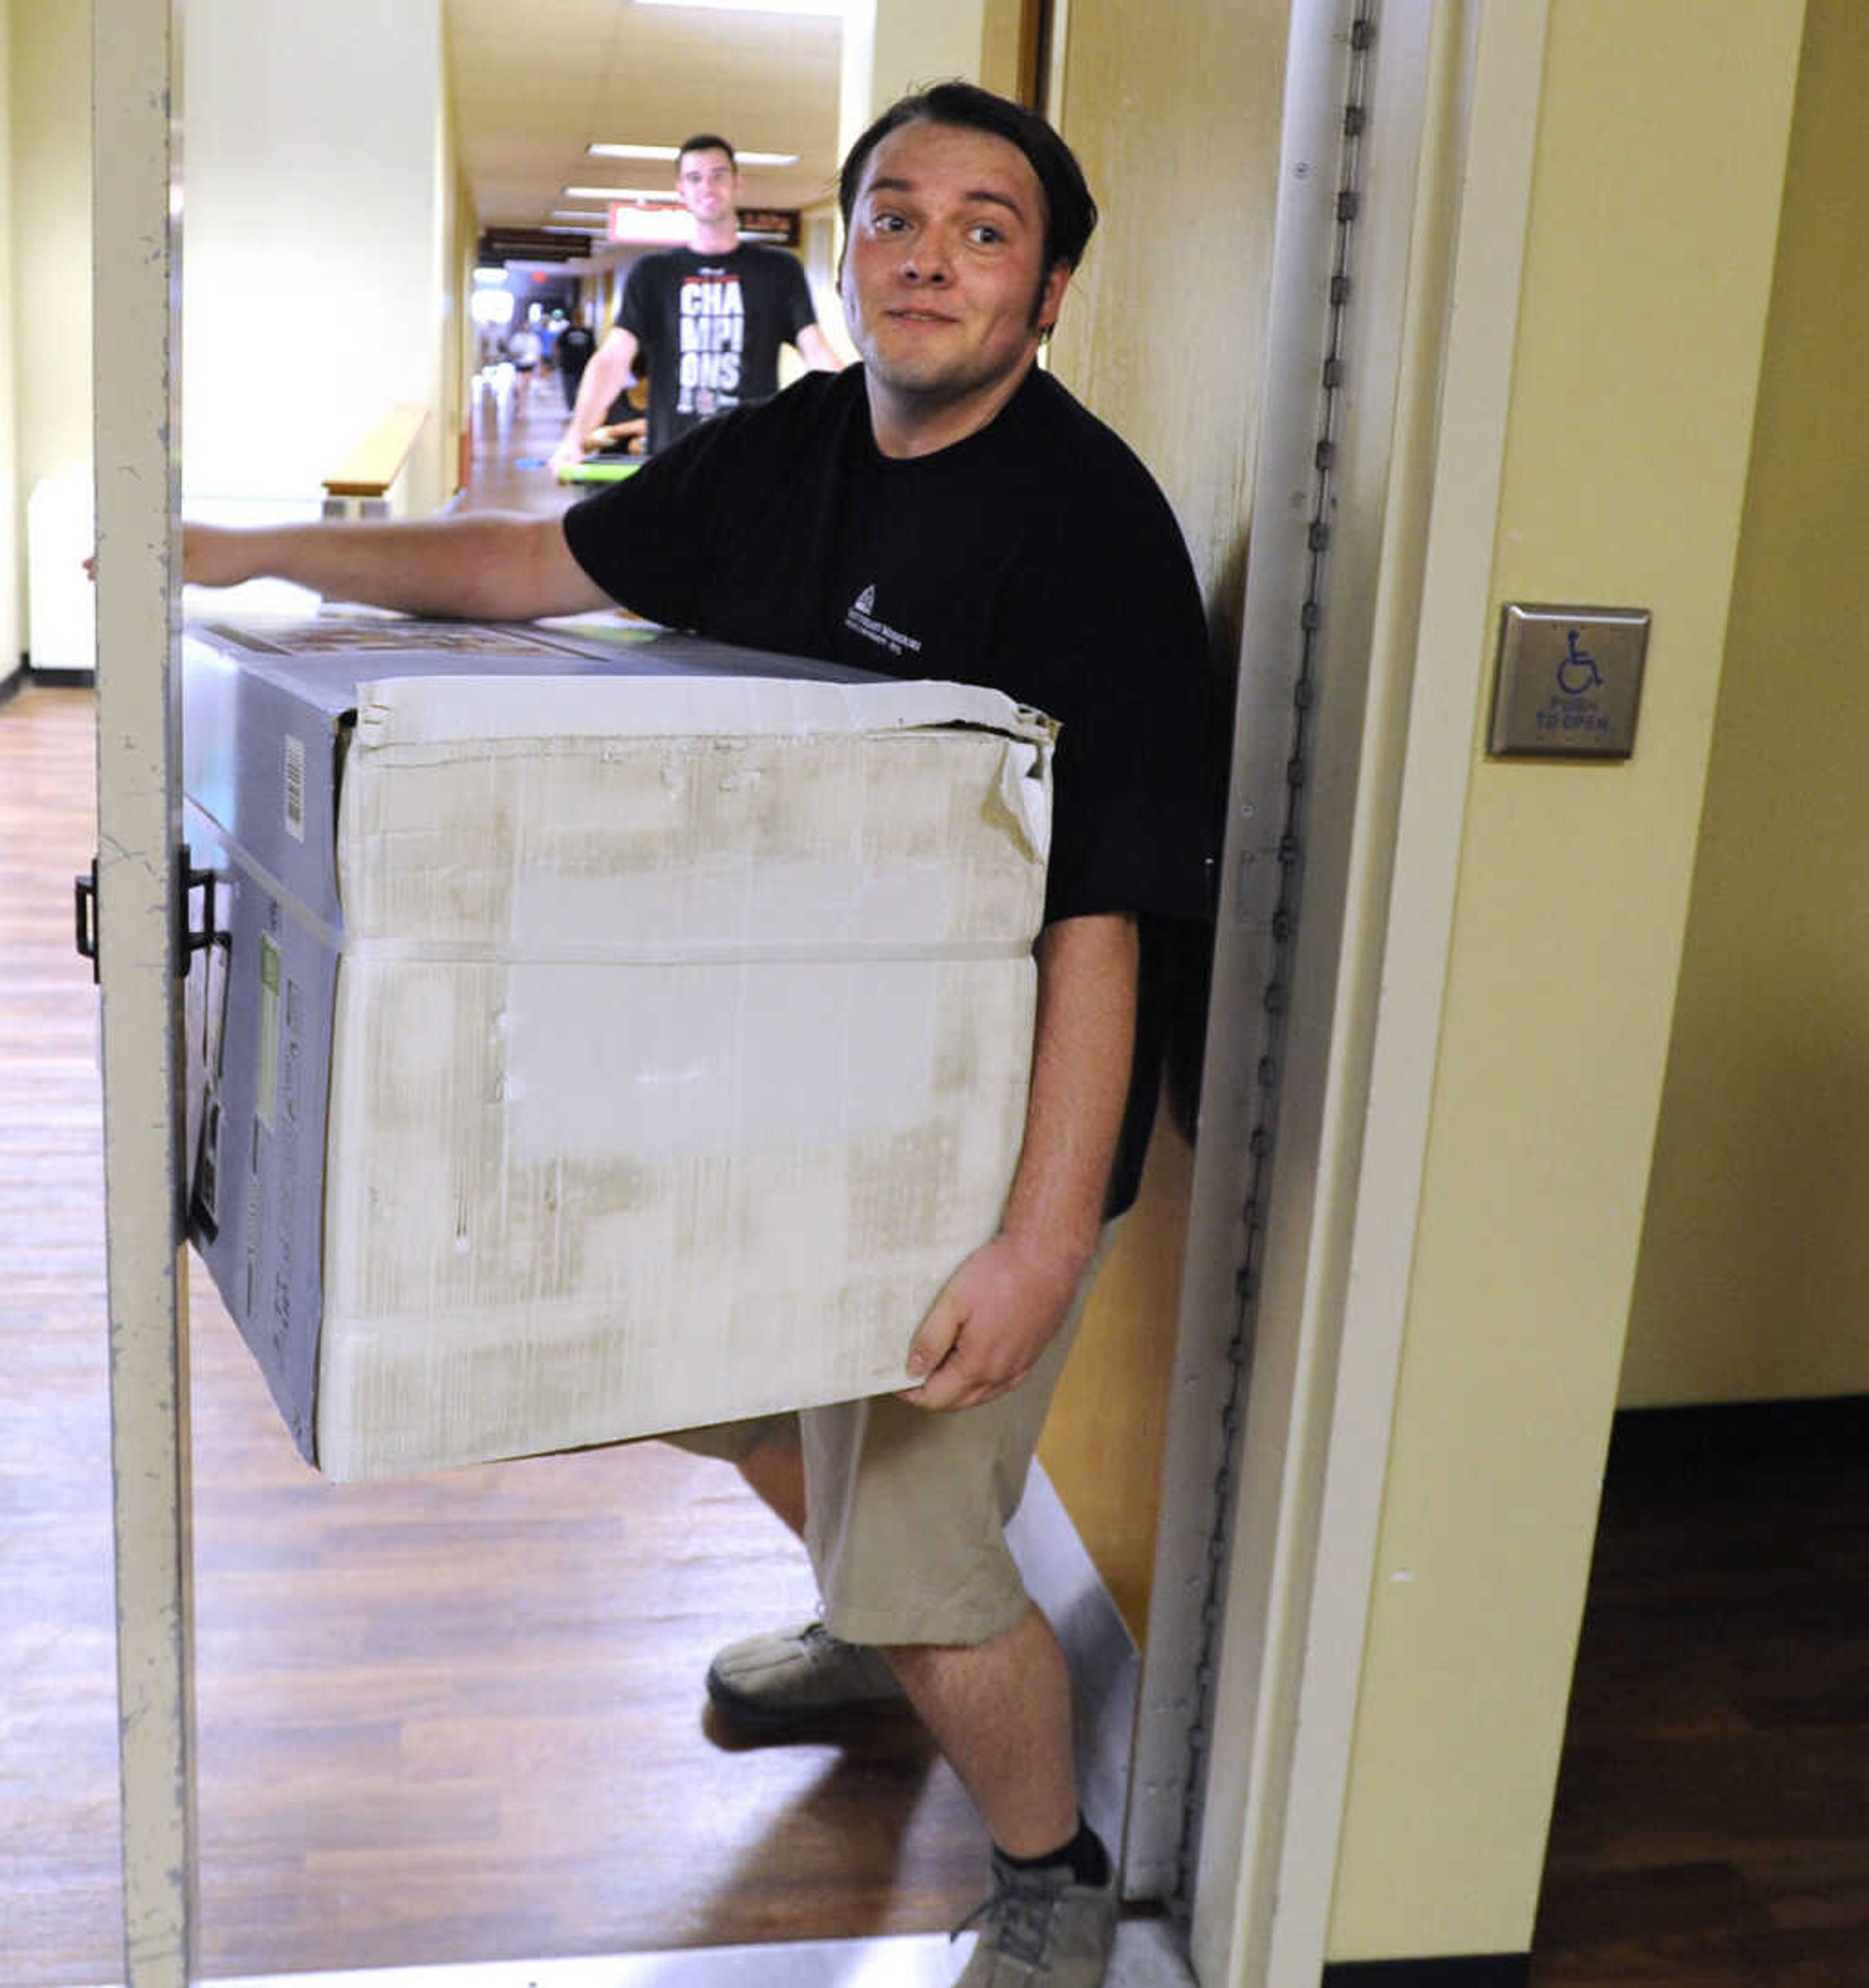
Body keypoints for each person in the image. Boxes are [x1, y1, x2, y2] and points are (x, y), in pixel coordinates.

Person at [186, 82, 1215, 1988]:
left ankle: (1049, 1874)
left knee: (927, 1546)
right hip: (791, 1066)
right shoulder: (792, 450)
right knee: (726, 1381)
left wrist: (1038, 1239)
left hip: (993, 1118)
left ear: (1048, 288)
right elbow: (531, 568)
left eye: (982, 228)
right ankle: (863, 1615)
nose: (924, 252)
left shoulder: (1091, 533)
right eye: (892, 213)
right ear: (844, 249)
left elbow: (1105, 922)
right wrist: (249, 551)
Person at [546, 133, 844, 477]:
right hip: (673, 461)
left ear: (737, 182)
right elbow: (612, 361)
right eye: (695, 178)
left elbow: (819, 355)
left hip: (754, 461)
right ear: (681, 190)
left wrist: (847, 425)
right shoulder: (652, 274)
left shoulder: (778, 270)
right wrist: (575, 438)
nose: (708, 186)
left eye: (718, 175)